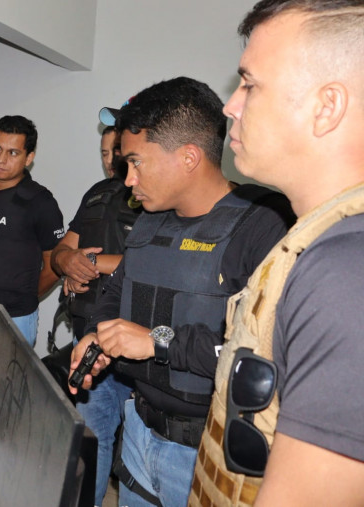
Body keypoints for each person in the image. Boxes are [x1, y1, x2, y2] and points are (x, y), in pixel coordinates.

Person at [69, 77, 294, 507]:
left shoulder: (262, 227)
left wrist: (156, 342)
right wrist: (98, 334)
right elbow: (116, 293)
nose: (127, 178)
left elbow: (265, 356)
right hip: (138, 432)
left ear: (189, 157)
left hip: (202, 452)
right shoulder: (151, 220)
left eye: (136, 163)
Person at [190, 2, 364, 505]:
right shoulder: (312, 238)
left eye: (249, 84)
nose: (230, 105)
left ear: (326, 107)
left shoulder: (345, 273)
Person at [50, 120, 141, 505]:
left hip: (136, 341)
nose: (110, 161)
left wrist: (92, 261)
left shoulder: (152, 198)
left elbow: (151, 262)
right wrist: (68, 261)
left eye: (117, 153)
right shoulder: (95, 195)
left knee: (138, 446)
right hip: (88, 334)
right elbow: (60, 252)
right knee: (95, 436)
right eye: (104, 154)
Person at [0, 115, 64, 362]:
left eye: (13, 153)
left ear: (29, 158)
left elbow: (55, 264)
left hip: (15, 321)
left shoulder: (40, 202)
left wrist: (24, 297)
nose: (1, 159)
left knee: (6, 398)